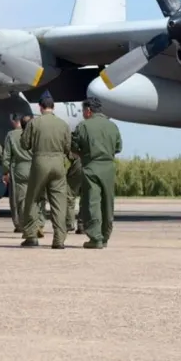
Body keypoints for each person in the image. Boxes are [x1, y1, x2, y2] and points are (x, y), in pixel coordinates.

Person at [19, 96, 72, 249]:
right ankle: (59, 239)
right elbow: (67, 147)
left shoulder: (34, 123)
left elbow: (25, 144)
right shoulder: (63, 124)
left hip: (40, 162)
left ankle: (31, 236)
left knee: (33, 199)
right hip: (58, 163)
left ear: (40, 107)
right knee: (59, 202)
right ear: (53, 107)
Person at [72, 97, 122, 249]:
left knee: (92, 202)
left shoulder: (83, 126)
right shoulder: (112, 126)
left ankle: (95, 238)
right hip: (108, 167)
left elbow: (74, 145)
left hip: (91, 166)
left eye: (83, 111)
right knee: (107, 202)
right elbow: (118, 147)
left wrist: (83, 154)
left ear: (88, 110)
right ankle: (105, 236)